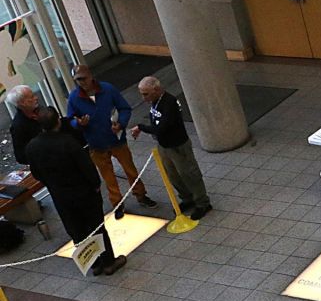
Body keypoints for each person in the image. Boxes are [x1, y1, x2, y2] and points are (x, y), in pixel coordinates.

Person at [26, 107, 125, 276]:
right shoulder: (68, 142)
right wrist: (95, 185)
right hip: (83, 193)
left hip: (60, 196)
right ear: (58, 121)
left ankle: (93, 263)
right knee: (96, 227)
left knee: (77, 230)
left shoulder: (32, 146)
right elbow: (87, 168)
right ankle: (108, 262)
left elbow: (36, 173)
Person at [65, 63, 156, 218]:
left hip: (116, 140)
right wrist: (79, 123)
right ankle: (117, 204)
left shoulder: (108, 89)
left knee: (130, 170)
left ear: (91, 75)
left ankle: (141, 195)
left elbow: (124, 108)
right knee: (108, 177)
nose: (81, 82)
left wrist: (121, 123)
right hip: (96, 144)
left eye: (83, 78)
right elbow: (70, 120)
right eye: (78, 80)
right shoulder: (74, 98)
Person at [129, 77, 212, 220]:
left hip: (178, 145)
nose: (143, 98)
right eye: (142, 94)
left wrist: (141, 127)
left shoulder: (169, 102)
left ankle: (202, 203)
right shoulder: (155, 101)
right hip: (164, 146)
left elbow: (161, 127)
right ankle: (187, 198)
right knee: (173, 175)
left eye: (145, 94)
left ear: (156, 90)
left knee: (189, 174)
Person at [6, 84, 42, 165]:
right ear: (22, 103)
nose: (36, 98)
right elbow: (20, 156)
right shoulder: (18, 126)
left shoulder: (41, 111)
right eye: (31, 97)